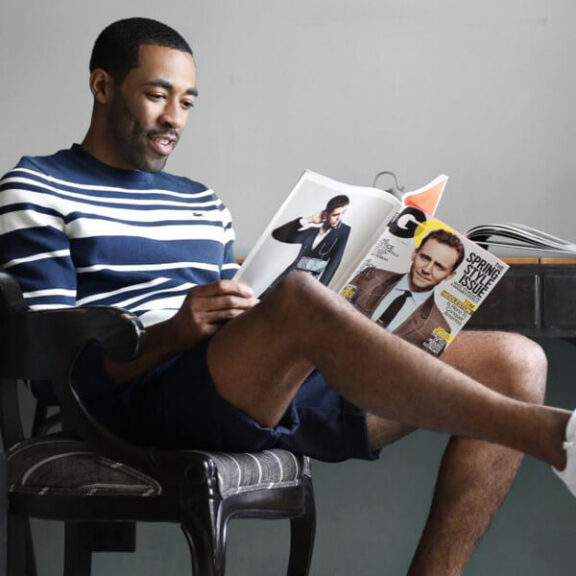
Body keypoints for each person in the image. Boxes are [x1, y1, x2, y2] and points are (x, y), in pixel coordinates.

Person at [0, 17, 575, 576]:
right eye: (157, 95)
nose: (174, 117)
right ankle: (554, 436)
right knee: (300, 297)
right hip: (132, 398)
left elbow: (235, 307)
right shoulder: (36, 186)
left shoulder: (201, 201)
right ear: (102, 85)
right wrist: (174, 333)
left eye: (188, 102)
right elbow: (51, 369)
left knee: (516, 360)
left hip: (242, 383)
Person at [350, 229, 464, 349]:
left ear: (450, 275)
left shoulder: (440, 328)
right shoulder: (371, 276)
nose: (426, 269)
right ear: (414, 254)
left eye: (439, 266)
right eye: (425, 258)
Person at [268, 195, 351, 288]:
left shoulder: (342, 232)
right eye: (335, 215)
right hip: (287, 278)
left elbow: (334, 262)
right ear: (326, 214)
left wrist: (320, 290)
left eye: (343, 213)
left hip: (307, 285)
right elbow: (278, 234)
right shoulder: (310, 232)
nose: (339, 218)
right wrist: (309, 220)